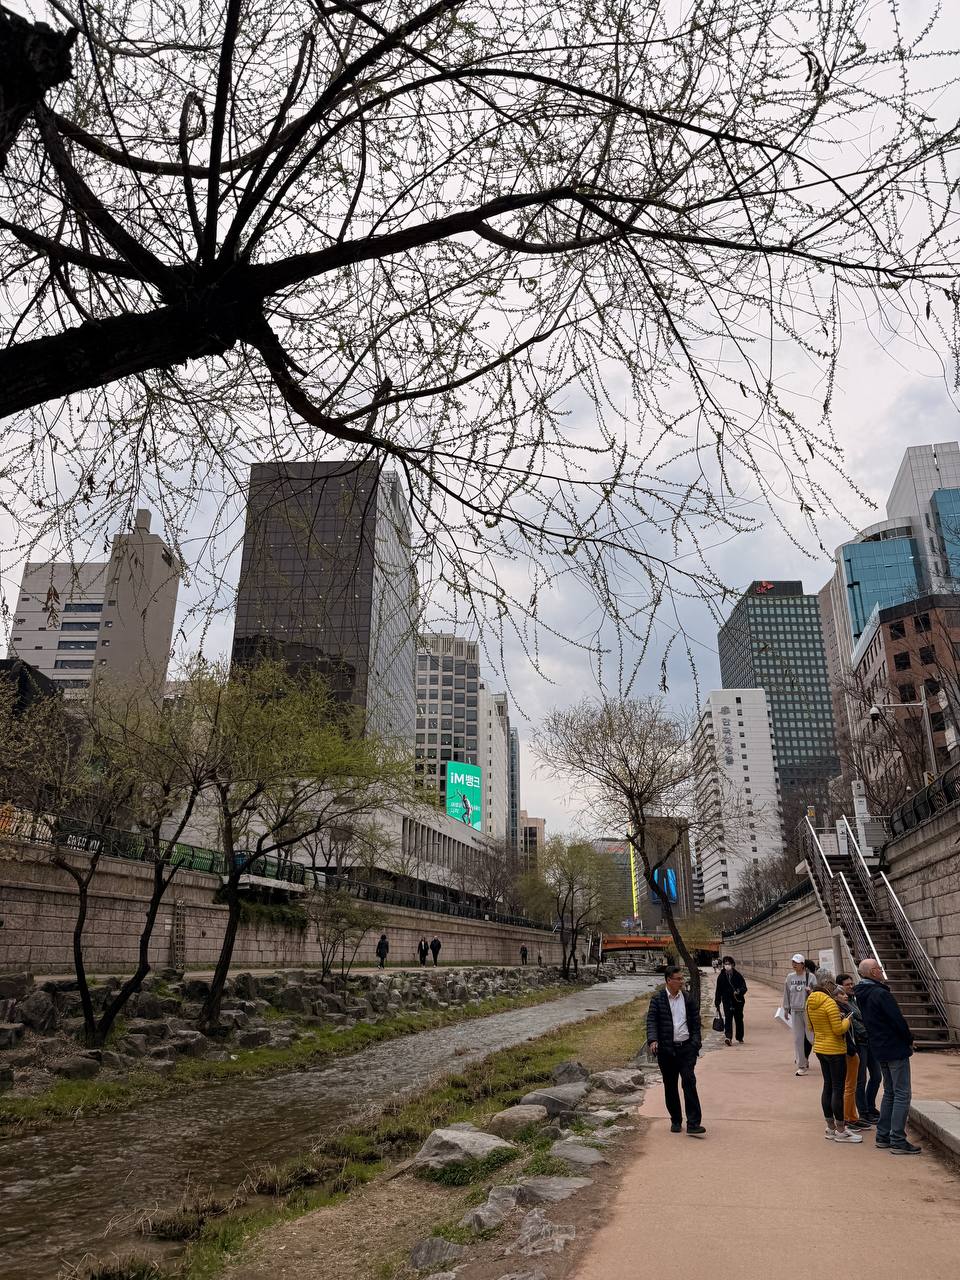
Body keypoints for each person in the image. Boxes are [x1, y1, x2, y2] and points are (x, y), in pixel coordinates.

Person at [855, 958, 920, 1154]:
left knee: (890, 1092)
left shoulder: (862, 993)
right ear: (873, 972)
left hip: (879, 1047)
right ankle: (898, 1139)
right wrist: (909, 1039)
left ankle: (883, 1135)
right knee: (902, 1093)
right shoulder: (880, 993)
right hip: (894, 1047)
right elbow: (897, 1020)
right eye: (879, 968)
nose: (882, 970)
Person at [645, 965, 705, 1137]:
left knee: (689, 1082)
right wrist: (653, 1040)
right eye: (678, 979)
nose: (681, 981)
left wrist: (695, 1044)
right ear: (668, 980)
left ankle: (693, 1123)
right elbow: (651, 1021)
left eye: (682, 978)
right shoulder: (657, 999)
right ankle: (676, 1120)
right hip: (666, 1050)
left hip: (686, 1049)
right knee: (670, 1086)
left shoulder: (688, 998)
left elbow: (696, 1023)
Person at [806, 972, 861, 1143]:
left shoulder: (810, 1001)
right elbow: (838, 1030)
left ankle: (830, 1127)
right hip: (835, 1050)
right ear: (828, 984)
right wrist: (847, 1020)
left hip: (820, 1048)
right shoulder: (829, 1002)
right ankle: (841, 1130)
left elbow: (810, 1026)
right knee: (838, 1088)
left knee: (828, 1086)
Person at [834, 973, 872, 1131]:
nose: (846, 995)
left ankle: (852, 1116)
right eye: (841, 993)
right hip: (848, 1049)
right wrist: (847, 1020)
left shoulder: (848, 1005)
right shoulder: (840, 1010)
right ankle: (847, 1118)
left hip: (849, 1048)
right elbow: (841, 1030)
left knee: (851, 1085)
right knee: (849, 1086)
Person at [782, 953, 818, 1075]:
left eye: (797, 963)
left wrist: (811, 991)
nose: (794, 965)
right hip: (795, 1011)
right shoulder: (790, 977)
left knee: (811, 1038)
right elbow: (786, 993)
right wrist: (786, 1009)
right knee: (798, 1039)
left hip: (808, 1011)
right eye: (793, 962)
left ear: (803, 964)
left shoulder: (810, 977)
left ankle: (827, 1058)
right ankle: (802, 1065)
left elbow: (817, 993)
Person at [714, 955, 748, 1045]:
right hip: (727, 1001)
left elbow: (744, 987)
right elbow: (718, 990)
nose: (727, 965)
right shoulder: (721, 977)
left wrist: (739, 991)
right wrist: (717, 1002)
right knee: (728, 1018)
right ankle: (728, 1037)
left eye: (728, 964)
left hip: (738, 1001)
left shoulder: (738, 976)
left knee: (738, 1019)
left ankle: (739, 1037)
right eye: (725, 964)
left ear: (732, 964)